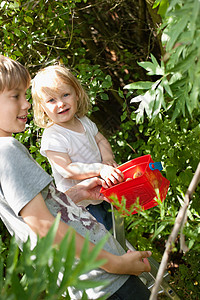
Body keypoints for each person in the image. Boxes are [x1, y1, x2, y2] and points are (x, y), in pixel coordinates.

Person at [0, 54, 151, 300]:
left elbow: (35, 214)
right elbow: (44, 227)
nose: (26, 104)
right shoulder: (7, 152)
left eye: (24, 96)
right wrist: (116, 264)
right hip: (104, 278)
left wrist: (76, 194)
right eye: (16, 96)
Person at [31, 65, 124, 231]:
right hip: (81, 206)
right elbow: (67, 169)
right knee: (100, 240)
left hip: (101, 193)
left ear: (77, 94)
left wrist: (108, 159)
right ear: (42, 108)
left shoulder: (84, 121)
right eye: (51, 100)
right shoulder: (53, 136)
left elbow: (101, 140)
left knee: (116, 233)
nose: (61, 104)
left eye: (65, 95)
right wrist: (100, 168)